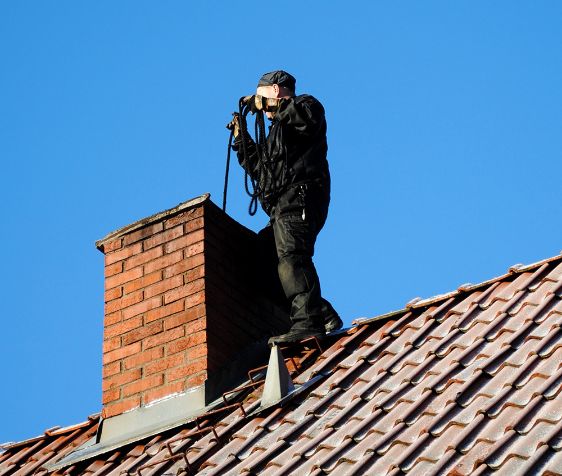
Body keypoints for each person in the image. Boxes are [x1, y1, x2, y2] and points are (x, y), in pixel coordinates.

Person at [230, 70, 342, 345]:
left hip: (300, 197)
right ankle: (320, 312)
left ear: (277, 91)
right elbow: (262, 171)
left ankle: (308, 323)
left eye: (263, 98)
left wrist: (266, 104)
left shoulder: (307, 106)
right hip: (281, 206)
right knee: (262, 264)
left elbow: (301, 118)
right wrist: (242, 139)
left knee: (292, 257)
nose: (264, 112)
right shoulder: (276, 133)